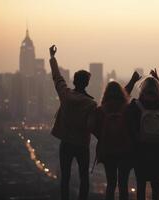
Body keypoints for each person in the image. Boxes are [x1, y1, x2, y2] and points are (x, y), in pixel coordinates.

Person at [49, 45, 97, 200]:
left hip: (66, 143)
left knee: (65, 177)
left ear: (74, 81)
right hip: (82, 145)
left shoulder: (65, 95)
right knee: (84, 178)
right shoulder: (91, 104)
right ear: (87, 84)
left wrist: (52, 57)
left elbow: (57, 77)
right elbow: (91, 125)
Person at [90, 72, 141, 200]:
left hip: (107, 151)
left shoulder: (100, 110)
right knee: (123, 184)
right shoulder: (127, 109)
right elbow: (132, 127)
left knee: (111, 184)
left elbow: (94, 128)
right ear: (121, 93)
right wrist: (133, 80)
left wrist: (103, 137)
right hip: (125, 150)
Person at [127, 70, 159, 200]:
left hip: (141, 148)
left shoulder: (136, 105)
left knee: (141, 183)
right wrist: (158, 81)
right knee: (155, 184)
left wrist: (133, 81)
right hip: (157, 148)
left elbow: (129, 123)